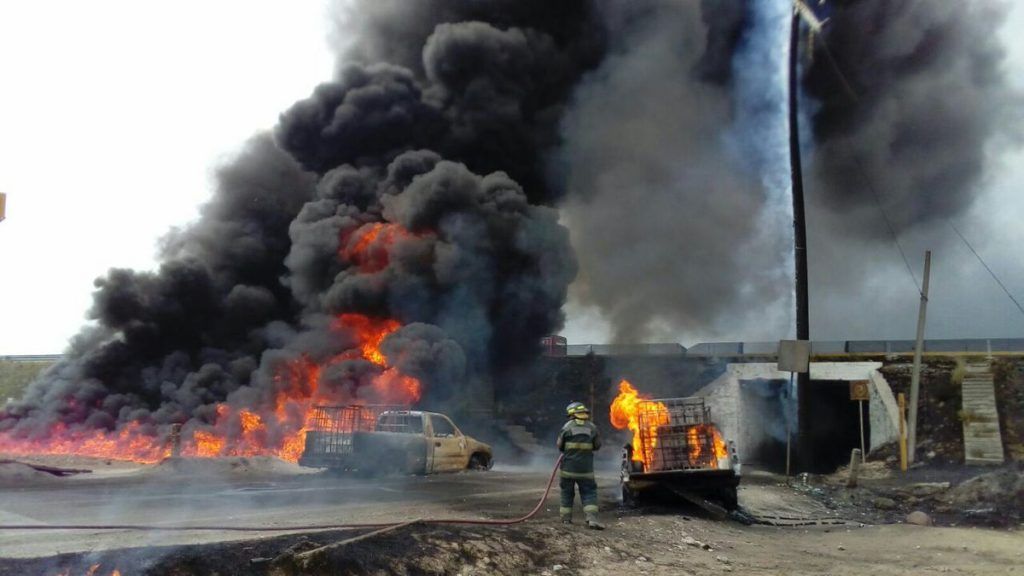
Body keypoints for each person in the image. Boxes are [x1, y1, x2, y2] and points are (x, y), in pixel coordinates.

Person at [556, 401, 604, 529]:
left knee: (567, 493)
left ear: (572, 414)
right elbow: (597, 446)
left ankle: (566, 519)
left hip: (568, 469)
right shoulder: (592, 427)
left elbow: (559, 445)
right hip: (586, 470)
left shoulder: (567, 427)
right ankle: (591, 518)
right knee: (589, 492)